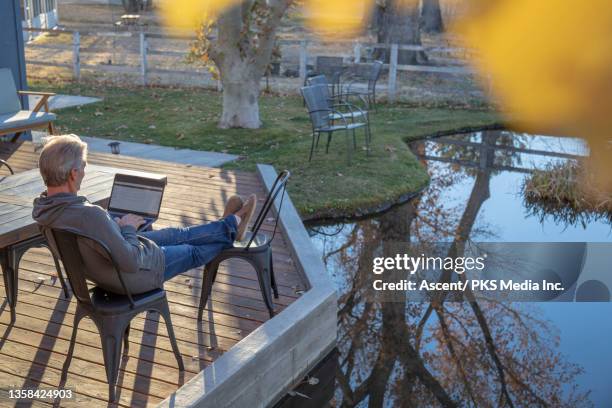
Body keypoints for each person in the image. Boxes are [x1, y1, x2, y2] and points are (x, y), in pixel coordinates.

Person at [32, 134, 257, 295]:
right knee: (191, 250)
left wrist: (114, 226)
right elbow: (130, 261)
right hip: (131, 277)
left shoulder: (44, 210)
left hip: (103, 269)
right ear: (73, 174)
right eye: (84, 165)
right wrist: (128, 227)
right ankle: (232, 225)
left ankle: (228, 224)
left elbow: (96, 239)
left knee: (174, 233)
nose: (84, 171)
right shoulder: (89, 216)